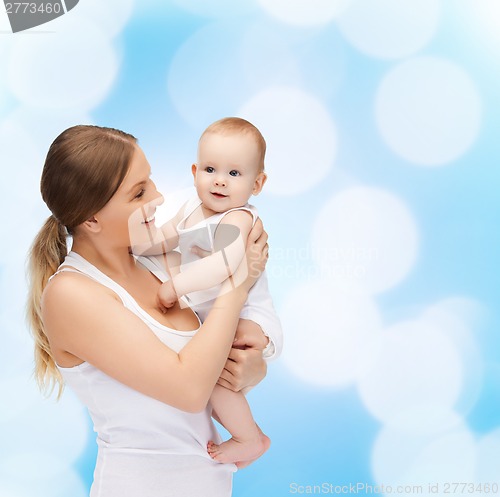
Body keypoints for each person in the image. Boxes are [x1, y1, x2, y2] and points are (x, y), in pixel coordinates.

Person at [26, 125, 278, 497]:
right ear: (92, 219)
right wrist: (237, 283)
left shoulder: (159, 261)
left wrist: (255, 364)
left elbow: (220, 344)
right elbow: (190, 388)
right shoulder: (71, 294)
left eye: (151, 181)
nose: (159, 198)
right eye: (139, 192)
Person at [148, 117, 282, 467]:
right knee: (209, 379)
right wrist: (134, 245)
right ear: (194, 172)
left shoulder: (239, 219)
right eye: (210, 169)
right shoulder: (189, 210)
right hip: (217, 313)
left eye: (235, 174)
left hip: (246, 315)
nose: (220, 180)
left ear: (258, 183)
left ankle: (249, 438)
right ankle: (248, 433)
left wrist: (176, 286)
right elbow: (164, 237)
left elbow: (223, 265)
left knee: (217, 378)